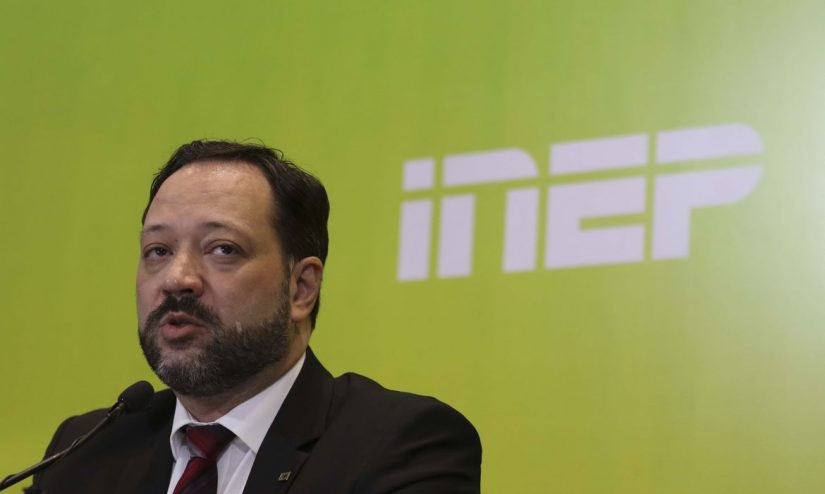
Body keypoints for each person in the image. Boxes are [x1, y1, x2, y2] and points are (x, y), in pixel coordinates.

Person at [30, 140, 481, 493]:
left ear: (301, 288)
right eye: (158, 251)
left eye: (223, 249)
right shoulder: (85, 452)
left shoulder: (401, 444)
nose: (177, 278)